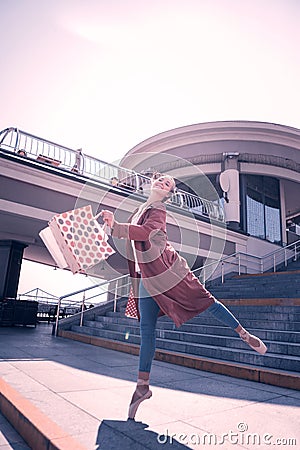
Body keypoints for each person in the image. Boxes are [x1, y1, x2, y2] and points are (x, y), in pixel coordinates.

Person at [99, 173, 267, 420]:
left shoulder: (158, 211)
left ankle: (243, 333)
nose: (161, 183)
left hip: (168, 271)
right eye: (159, 180)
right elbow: (133, 238)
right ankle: (142, 386)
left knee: (204, 300)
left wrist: (116, 226)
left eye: (167, 183)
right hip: (146, 275)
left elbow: (146, 233)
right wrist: (111, 225)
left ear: (168, 194)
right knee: (146, 329)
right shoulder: (140, 209)